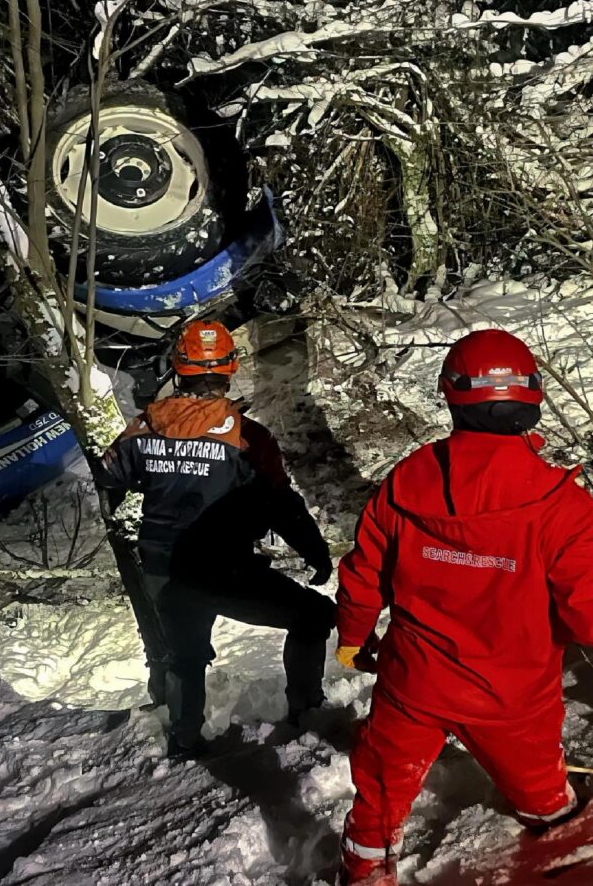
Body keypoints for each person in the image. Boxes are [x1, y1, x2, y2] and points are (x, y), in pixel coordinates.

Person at [334, 328, 593, 886]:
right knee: (541, 789)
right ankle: (556, 832)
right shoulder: (562, 507)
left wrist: (353, 634)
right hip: (511, 696)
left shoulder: (407, 481)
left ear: (451, 395)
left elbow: (364, 570)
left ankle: (363, 868)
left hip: (413, 682)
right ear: (532, 396)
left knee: (381, 787)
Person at [94, 318, 335, 758]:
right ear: (229, 369)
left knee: (181, 654)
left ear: (177, 369)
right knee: (312, 616)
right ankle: (306, 713)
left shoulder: (144, 429)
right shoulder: (248, 437)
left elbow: (110, 475)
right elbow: (280, 503)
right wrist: (315, 552)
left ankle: (184, 739)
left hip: (163, 566)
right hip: (224, 570)